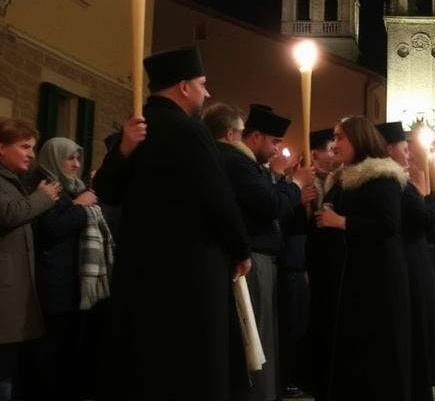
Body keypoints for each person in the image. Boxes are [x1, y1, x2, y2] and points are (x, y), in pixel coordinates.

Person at [91, 45, 253, 400]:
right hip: (189, 272)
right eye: (202, 84)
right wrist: (241, 248)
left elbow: (105, 189)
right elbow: (217, 197)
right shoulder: (187, 131)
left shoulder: (137, 128)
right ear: (183, 86)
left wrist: (122, 151)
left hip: (141, 271)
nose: (206, 93)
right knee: (191, 366)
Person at [205, 102, 316, 401]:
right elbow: (268, 205)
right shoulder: (235, 161)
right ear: (245, 136)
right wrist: (293, 184)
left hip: (264, 258)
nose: (278, 149)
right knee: (255, 339)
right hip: (252, 259)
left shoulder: (242, 163)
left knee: (265, 337)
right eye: (275, 141)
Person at [308, 115, 412, 400]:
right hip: (350, 274)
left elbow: (387, 224)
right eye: (334, 137)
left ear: (359, 139)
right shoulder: (341, 179)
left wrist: (340, 221)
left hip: (378, 278)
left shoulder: (382, 176)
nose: (333, 144)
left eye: (340, 137)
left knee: (375, 348)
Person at [25, 137, 113, 400]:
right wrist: (79, 205)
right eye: (70, 158)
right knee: (50, 358)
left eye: (78, 158)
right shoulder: (45, 188)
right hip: (55, 287)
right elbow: (50, 230)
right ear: (54, 158)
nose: (75, 164)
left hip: (73, 286)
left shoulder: (74, 188)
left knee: (68, 356)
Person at [376, 120, 435, 395]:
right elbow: (425, 221)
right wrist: (428, 196)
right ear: (390, 150)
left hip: (412, 257)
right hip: (408, 260)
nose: (409, 155)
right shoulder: (394, 181)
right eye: (405, 149)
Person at [0, 118, 59, 401]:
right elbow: (9, 214)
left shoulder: (12, 180)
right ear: (1, 148)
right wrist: (43, 197)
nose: (31, 154)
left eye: (33, 148)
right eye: (24, 146)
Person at [279, 128, 336, 398]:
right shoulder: (298, 181)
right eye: (330, 148)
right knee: (295, 324)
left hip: (311, 262)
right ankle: (290, 376)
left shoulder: (329, 180)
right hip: (297, 261)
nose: (334, 152)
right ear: (315, 154)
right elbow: (295, 224)